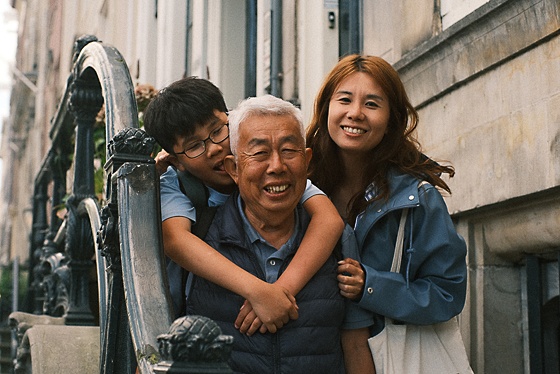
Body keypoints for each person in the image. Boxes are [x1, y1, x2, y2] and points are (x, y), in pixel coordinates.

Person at [143, 77, 344, 335]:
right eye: (194, 146)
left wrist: (280, 292)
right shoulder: (176, 184)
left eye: (218, 130)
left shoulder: (272, 175)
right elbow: (176, 241)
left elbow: (329, 220)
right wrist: (257, 291)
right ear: (177, 161)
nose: (214, 148)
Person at [306, 54, 468, 373]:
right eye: (345, 99)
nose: (355, 113)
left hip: (390, 359)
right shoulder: (302, 187)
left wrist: (371, 285)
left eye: (372, 104)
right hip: (313, 357)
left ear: (391, 119)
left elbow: (447, 292)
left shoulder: (417, 198)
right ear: (326, 108)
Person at [185, 94, 349, 373]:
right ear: (233, 169)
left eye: (288, 151)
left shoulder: (339, 241)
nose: (277, 166)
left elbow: (354, 341)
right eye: (260, 153)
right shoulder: (200, 236)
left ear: (307, 162)